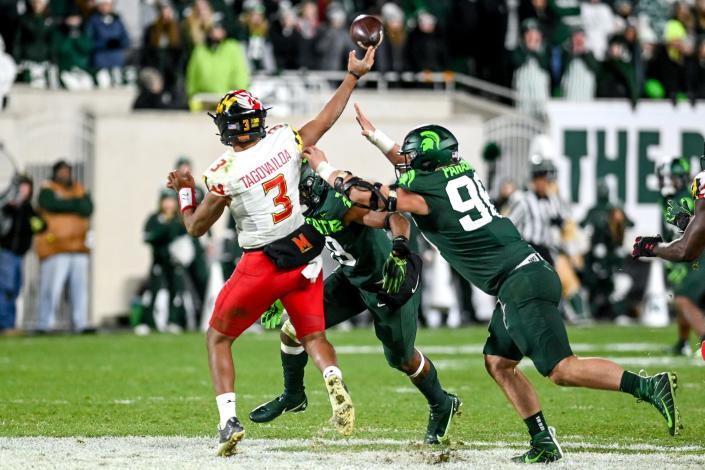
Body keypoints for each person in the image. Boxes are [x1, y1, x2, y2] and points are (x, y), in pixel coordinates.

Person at [303, 105, 682, 463]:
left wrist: (324, 167)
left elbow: (363, 195)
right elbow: (408, 161)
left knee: (561, 369)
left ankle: (648, 387)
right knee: (499, 362)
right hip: (525, 272)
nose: (407, 162)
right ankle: (542, 441)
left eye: (414, 159)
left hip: (519, 282)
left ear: (426, 164)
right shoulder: (461, 169)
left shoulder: (420, 197)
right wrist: (378, 138)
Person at [165, 46, 375, 456]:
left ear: (228, 128)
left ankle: (228, 421)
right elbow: (324, 121)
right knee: (313, 336)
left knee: (217, 339)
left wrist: (186, 189)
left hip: (262, 262)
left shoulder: (224, 171)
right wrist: (353, 76)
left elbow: (194, 226)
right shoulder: (283, 141)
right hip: (302, 253)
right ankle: (332, 376)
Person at [249, 167, 460, 444]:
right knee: (294, 326)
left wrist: (399, 249)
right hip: (352, 279)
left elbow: (397, 218)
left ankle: (442, 403)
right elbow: (298, 250)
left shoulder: (343, 206)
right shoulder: (308, 213)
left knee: (401, 359)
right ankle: (294, 395)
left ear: (309, 190)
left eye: (294, 192)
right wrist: (278, 291)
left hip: (388, 285)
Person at [636, 158, 705, 356]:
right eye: (665, 178)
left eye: (672, 178)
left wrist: (685, 220)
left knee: (683, 298)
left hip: (697, 254)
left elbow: (694, 228)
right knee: (679, 295)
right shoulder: (666, 198)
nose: (667, 182)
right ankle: (683, 342)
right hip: (684, 251)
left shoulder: (691, 195)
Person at [35, 160, 93, 333]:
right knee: (51, 288)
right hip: (56, 247)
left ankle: (80, 323)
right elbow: (51, 204)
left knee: (80, 290)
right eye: (61, 171)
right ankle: (45, 323)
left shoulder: (79, 188)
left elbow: (87, 208)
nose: (65, 174)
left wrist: (68, 203)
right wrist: (74, 203)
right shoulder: (48, 189)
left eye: (67, 171)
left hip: (78, 247)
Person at [137, 189, 192, 334]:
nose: (168, 204)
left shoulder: (179, 220)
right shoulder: (154, 218)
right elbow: (148, 237)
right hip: (159, 262)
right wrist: (164, 228)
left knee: (176, 293)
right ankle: (146, 322)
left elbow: (185, 236)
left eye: (171, 201)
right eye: (165, 201)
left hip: (174, 263)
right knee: (152, 292)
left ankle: (174, 321)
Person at [1, 176, 45, 332]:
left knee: (15, 288)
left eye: (27, 187)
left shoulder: (28, 209)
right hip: (6, 253)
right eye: (21, 187)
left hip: (20, 255)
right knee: (6, 288)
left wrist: (34, 222)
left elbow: (41, 226)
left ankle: (9, 325)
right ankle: (5, 325)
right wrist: (10, 209)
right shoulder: (6, 206)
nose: (24, 190)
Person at [185, 25, 250, 110]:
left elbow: (240, 72)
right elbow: (192, 73)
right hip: (202, 97)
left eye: (218, 29)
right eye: (212, 30)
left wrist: (240, 93)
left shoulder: (233, 47)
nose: (215, 33)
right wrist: (191, 92)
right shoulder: (200, 49)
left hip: (227, 96)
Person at [84, 0, 130, 87]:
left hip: (117, 60)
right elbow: (88, 42)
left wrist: (119, 43)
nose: (106, 7)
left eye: (108, 5)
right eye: (103, 4)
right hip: (100, 61)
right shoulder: (93, 21)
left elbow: (125, 39)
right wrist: (104, 44)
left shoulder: (117, 20)